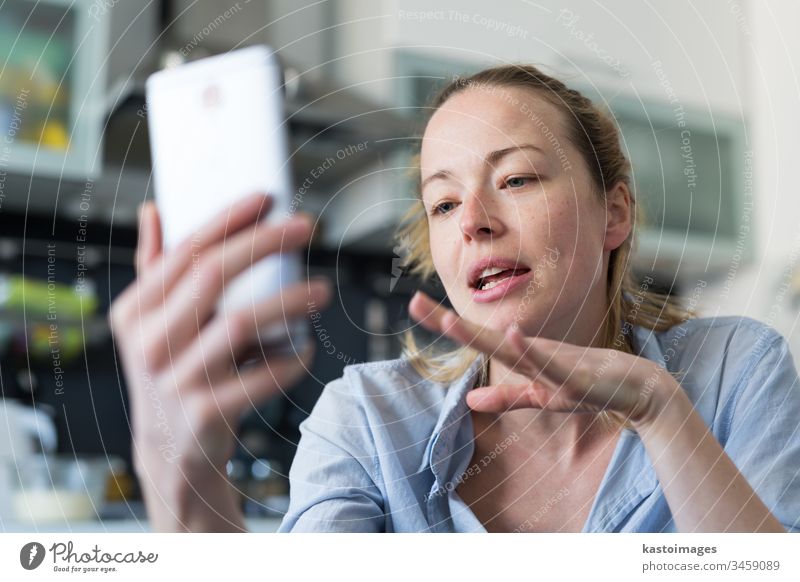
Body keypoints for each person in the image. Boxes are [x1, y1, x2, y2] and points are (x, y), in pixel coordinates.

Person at [110, 64, 800, 533]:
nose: (472, 220)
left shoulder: (734, 371)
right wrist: (184, 476)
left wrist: (662, 414)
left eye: (519, 178)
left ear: (612, 212)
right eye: (442, 202)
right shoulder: (366, 423)